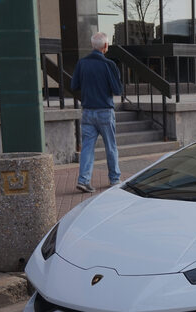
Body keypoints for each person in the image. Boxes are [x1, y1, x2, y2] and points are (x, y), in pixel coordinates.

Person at [71, 32, 123, 193]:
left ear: (93, 45)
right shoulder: (109, 65)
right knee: (111, 146)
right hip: (105, 111)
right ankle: (114, 179)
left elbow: (73, 86)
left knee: (87, 147)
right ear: (106, 46)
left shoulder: (82, 63)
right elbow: (117, 90)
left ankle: (83, 180)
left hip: (87, 111)